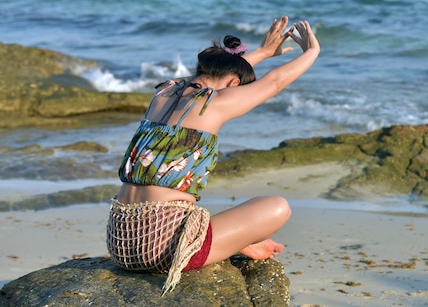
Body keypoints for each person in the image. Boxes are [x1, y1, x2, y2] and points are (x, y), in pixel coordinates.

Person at [106, 16, 320, 294]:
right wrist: (312, 52)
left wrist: (263, 52)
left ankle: (236, 240)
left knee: (198, 210)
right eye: (238, 88)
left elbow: (214, 79)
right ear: (233, 85)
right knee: (278, 207)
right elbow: (274, 82)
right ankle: (233, 241)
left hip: (120, 241)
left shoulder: (165, 92)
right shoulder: (213, 103)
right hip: (161, 248)